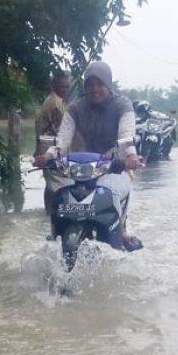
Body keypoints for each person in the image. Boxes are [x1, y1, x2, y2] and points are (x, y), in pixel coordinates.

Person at [34, 61, 143, 250]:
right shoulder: (76, 107)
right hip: (83, 167)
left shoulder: (122, 104)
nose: (95, 89)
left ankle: (120, 233)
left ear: (108, 84)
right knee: (60, 194)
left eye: (99, 84)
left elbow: (126, 136)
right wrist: (49, 155)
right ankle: (56, 233)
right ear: (85, 87)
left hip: (114, 165)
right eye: (90, 84)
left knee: (111, 193)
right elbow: (62, 139)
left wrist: (131, 157)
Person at [35, 72, 71, 212]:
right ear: (54, 86)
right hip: (50, 149)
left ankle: (48, 215)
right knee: (55, 185)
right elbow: (66, 128)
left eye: (68, 87)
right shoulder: (55, 103)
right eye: (63, 87)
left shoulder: (56, 101)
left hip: (47, 148)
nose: (66, 90)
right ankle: (50, 214)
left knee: (51, 184)